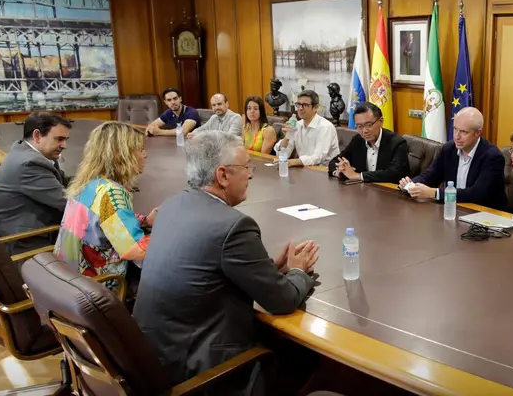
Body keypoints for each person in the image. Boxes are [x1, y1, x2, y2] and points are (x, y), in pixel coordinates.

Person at [133, 131, 318, 394]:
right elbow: (282, 300)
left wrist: (269, 269)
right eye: (246, 168)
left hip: (155, 356)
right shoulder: (233, 226)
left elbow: (208, 266)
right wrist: (299, 271)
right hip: (201, 371)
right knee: (303, 357)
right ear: (222, 175)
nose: (251, 175)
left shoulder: (172, 205)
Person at [54, 122, 155, 280]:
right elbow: (135, 250)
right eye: (140, 149)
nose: (145, 155)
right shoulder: (112, 193)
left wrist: (145, 220)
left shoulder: (89, 183)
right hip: (96, 283)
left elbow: (105, 220)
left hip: (68, 277)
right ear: (122, 154)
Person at [0, 112, 71, 255]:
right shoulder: (30, 163)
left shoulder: (27, 150)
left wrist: (92, 181)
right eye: (59, 139)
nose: (64, 145)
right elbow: (67, 202)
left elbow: (65, 181)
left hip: (28, 227)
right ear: (37, 136)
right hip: (22, 240)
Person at [398, 107, 507, 210]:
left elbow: (477, 194)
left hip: (484, 215)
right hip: (453, 209)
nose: (456, 136)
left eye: (463, 132)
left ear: (478, 133)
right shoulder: (449, 148)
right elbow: (430, 176)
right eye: (455, 129)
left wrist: (434, 193)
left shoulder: (492, 156)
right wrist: (410, 185)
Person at [328, 102, 409, 183]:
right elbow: (335, 161)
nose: (364, 131)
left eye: (369, 125)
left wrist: (357, 176)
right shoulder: (358, 140)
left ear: (381, 121)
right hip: (363, 190)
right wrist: (339, 172)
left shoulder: (397, 143)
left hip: (389, 191)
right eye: (359, 126)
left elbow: (394, 174)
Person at [273, 89, 340, 167]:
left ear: (315, 107)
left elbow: (318, 157)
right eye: (298, 104)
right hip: (305, 168)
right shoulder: (297, 125)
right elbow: (283, 154)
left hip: (325, 171)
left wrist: (291, 162)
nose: (300, 108)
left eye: (305, 105)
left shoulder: (326, 127)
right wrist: (286, 138)